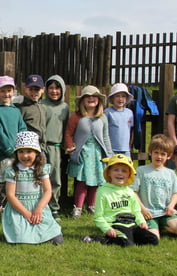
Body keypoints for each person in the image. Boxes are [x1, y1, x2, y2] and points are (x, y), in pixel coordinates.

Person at [82, 153, 158, 247]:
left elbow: (136, 211)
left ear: (129, 175)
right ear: (109, 172)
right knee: (127, 244)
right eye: (116, 170)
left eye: (124, 171)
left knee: (153, 240)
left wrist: (141, 222)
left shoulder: (129, 192)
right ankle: (98, 239)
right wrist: (107, 229)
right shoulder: (102, 192)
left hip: (132, 224)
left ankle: (130, 239)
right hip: (116, 225)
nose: (120, 173)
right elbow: (98, 217)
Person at [1, 131, 63, 245]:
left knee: (57, 239)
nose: (25, 156)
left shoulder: (41, 169)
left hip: (38, 208)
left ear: (36, 153)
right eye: (21, 152)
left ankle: (45, 235)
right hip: (19, 210)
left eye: (29, 151)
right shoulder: (13, 171)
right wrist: (26, 213)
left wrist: (39, 208)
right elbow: (10, 195)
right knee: (20, 237)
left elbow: (48, 191)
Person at [63, 85, 112, 218]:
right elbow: (68, 133)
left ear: (99, 100)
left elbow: (106, 137)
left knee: (95, 181)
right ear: (82, 101)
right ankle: (77, 208)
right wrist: (71, 148)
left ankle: (92, 206)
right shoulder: (76, 117)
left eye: (94, 96)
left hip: (97, 154)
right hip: (82, 153)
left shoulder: (102, 118)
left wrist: (109, 155)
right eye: (87, 97)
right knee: (82, 181)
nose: (91, 99)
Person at [0, 75, 27, 220]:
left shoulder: (16, 111)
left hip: (19, 154)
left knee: (18, 179)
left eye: (9, 90)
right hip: (4, 154)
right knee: (5, 180)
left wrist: (22, 149)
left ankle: (9, 207)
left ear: (13, 91)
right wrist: (10, 151)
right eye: (2, 91)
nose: (6, 94)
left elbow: (22, 129)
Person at [131, 134, 177, 239]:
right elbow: (133, 192)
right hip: (148, 213)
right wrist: (142, 209)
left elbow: (175, 194)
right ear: (150, 152)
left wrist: (171, 206)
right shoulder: (141, 171)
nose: (159, 157)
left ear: (168, 156)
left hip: (165, 212)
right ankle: (148, 227)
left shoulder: (170, 173)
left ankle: (162, 226)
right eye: (156, 152)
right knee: (153, 238)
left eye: (163, 154)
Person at [41, 75, 69, 219]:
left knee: (55, 178)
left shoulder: (64, 108)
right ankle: (42, 205)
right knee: (40, 177)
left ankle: (54, 207)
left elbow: (67, 129)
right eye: (51, 88)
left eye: (57, 88)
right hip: (42, 147)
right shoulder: (41, 105)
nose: (54, 91)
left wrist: (67, 145)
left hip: (56, 148)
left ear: (62, 90)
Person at [16, 74, 47, 150]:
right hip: (29, 147)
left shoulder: (44, 107)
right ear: (25, 89)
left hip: (43, 147)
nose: (34, 92)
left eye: (37, 89)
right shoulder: (22, 108)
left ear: (43, 90)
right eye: (31, 89)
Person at [105, 82, 134, 157]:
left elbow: (130, 130)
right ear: (112, 98)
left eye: (123, 96)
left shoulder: (129, 113)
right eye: (117, 96)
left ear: (126, 98)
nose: (120, 99)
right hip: (112, 149)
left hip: (126, 149)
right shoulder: (108, 112)